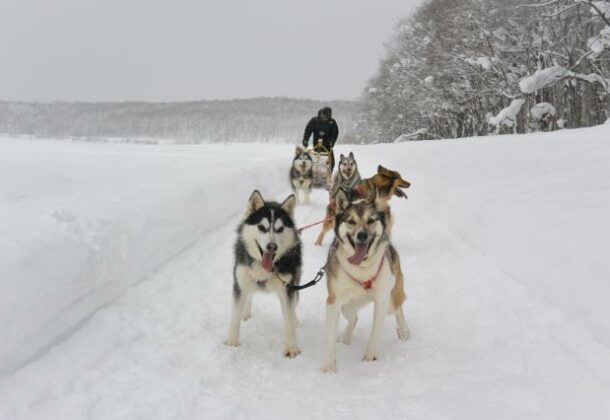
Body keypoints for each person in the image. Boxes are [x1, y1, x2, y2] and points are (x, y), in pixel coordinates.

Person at [302, 106, 339, 171]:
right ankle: (313, 173)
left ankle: (329, 174)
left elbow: (335, 133)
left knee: (331, 162)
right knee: (316, 161)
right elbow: (308, 130)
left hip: (328, 145)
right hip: (316, 145)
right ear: (321, 114)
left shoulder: (332, 122)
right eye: (323, 116)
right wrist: (305, 140)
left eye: (326, 117)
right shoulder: (314, 121)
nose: (324, 118)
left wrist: (332, 141)